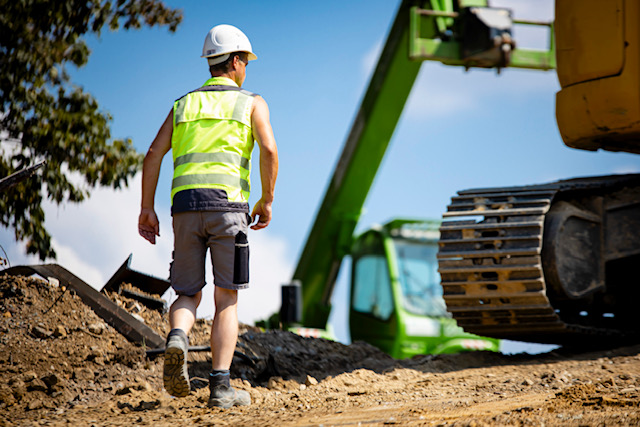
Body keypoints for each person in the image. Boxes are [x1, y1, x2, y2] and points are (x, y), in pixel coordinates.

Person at [138, 24, 278, 409]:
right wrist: (266, 200)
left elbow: (153, 154)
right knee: (226, 298)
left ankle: (178, 339)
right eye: (245, 61)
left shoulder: (183, 104)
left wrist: (146, 208)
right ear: (234, 61)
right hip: (228, 208)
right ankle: (220, 387)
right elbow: (268, 148)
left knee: (186, 292)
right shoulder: (252, 102)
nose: (246, 68)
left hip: (184, 209)